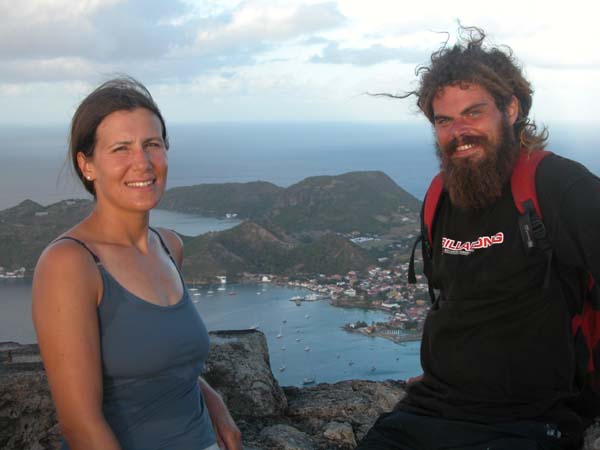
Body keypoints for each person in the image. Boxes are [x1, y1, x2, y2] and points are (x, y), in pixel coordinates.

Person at [357, 27, 600, 450]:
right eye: (444, 120)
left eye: (473, 113)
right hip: (430, 410)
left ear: (510, 108)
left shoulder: (556, 185)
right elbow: (456, 302)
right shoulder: (440, 196)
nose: (459, 131)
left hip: (530, 420)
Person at [32, 77, 242, 450]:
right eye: (121, 148)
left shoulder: (169, 246)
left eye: (152, 145)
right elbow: (80, 424)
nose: (142, 163)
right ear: (87, 165)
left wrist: (215, 402)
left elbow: (165, 362)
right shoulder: (71, 263)